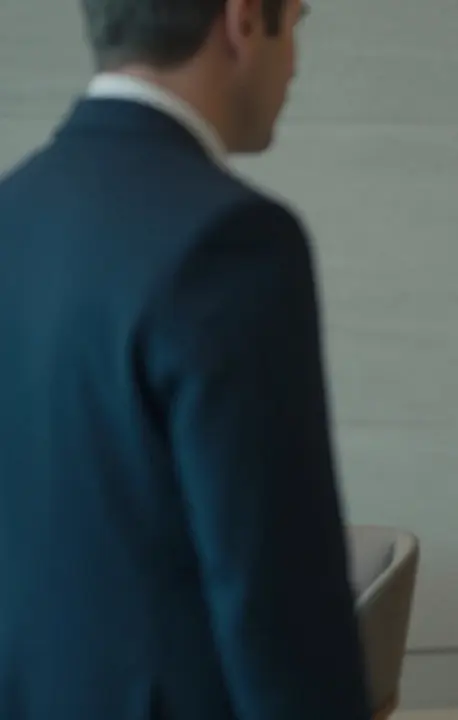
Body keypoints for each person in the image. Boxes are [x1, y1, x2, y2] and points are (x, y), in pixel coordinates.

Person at [0, 1, 371, 718]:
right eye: (295, 24)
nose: (294, 64)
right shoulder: (233, 238)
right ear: (242, 21)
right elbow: (275, 590)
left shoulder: (14, 211)